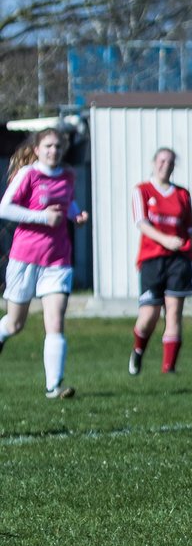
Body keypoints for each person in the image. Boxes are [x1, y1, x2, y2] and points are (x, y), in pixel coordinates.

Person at [0, 129, 90, 399]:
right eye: (48, 146)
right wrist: (42, 218)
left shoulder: (68, 176)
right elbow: (4, 208)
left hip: (57, 259)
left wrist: (76, 215)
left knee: (55, 321)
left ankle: (54, 386)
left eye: (58, 147)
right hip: (25, 257)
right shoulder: (28, 175)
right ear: (37, 150)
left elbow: (67, 203)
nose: (54, 151)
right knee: (15, 324)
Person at [129, 147, 192, 375]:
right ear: (153, 162)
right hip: (152, 259)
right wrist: (165, 240)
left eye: (170, 162)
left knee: (174, 313)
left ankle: (169, 369)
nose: (165, 165)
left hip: (179, 260)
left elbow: (188, 229)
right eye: (161, 160)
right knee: (149, 315)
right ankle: (138, 351)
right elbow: (142, 223)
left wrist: (188, 256)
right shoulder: (143, 190)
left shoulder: (182, 194)